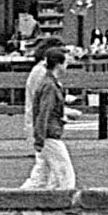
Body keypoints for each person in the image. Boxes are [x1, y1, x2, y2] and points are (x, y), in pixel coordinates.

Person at [19, 39, 74, 191]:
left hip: (43, 129)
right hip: (44, 130)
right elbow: (44, 107)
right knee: (62, 174)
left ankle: (25, 200)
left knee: (43, 174)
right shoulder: (43, 76)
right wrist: (39, 135)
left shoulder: (44, 74)